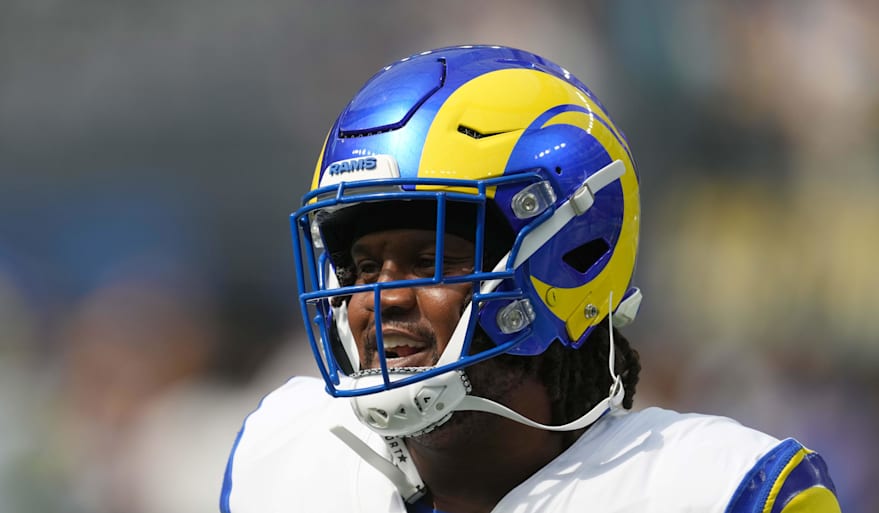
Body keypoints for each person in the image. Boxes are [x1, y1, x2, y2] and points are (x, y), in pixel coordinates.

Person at [219, 45, 841, 513]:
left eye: (432, 261)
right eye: (364, 267)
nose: (383, 300)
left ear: (569, 258)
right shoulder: (281, 459)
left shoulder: (720, 488)